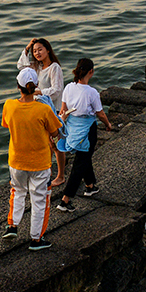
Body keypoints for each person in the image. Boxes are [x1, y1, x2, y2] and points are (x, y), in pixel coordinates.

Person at [2, 67, 63, 250]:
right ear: (36, 86)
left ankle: (12, 225)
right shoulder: (43, 109)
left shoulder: (9, 105)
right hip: (40, 163)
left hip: (17, 161)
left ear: (18, 87)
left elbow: (7, 124)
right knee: (39, 199)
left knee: (18, 191)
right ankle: (36, 239)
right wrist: (61, 118)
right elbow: (55, 132)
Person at [55, 58, 113, 212]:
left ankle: (90, 186)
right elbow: (100, 114)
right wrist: (108, 125)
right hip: (87, 131)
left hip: (73, 128)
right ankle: (65, 200)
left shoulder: (68, 87)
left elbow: (63, 110)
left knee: (84, 157)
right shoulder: (91, 92)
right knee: (80, 163)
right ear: (91, 72)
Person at [16, 38, 66, 186]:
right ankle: (48, 172)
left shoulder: (54, 67)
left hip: (53, 109)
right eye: (35, 51)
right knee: (46, 143)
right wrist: (27, 47)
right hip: (40, 109)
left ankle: (61, 175)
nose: (37, 53)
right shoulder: (35, 67)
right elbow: (21, 66)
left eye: (40, 49)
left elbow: (57, 90)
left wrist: (39, 92)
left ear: (48, 50)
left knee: (56, 145)